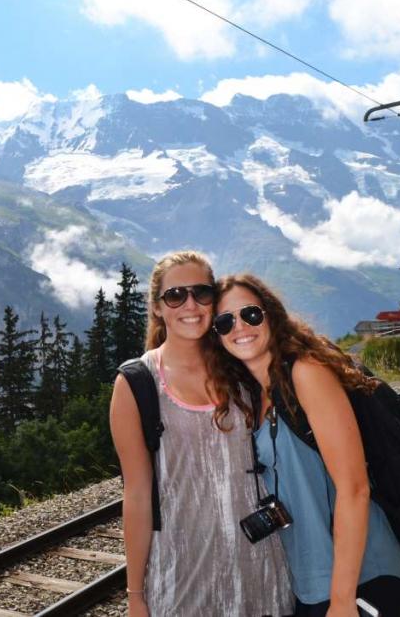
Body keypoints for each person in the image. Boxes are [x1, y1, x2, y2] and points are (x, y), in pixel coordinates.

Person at [213, 274, 400, 617]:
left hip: (360, 579)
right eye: (224, 321)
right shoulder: (255, 395)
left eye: (250, 314)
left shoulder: (306, 373)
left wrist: (341, 600)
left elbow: (355, 489)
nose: (239, 327)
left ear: (271, 316)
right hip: (310, 584)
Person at [110, 251, 294, 616]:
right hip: (182, 579)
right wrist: (135, 594)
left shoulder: (240, 364)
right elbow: (137, 495)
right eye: (175, 295)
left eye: (201, 293)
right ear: (158, 308)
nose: (190, 304)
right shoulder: (137, 383)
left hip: (262, 570)